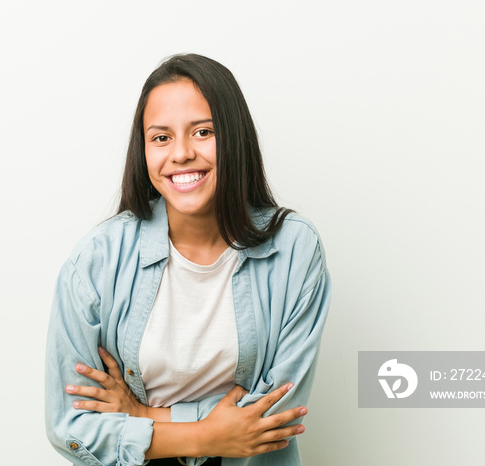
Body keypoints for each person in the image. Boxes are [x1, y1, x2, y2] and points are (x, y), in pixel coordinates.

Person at [45, 53, 331, 466]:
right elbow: (68, 426)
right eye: (161, 138)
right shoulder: (96, 259)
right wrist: (204, 434)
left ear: (235, 137)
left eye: (202, 132)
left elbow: (275, 416)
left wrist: (144, 416)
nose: (180, 154)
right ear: (143, 150)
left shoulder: (294, 248)